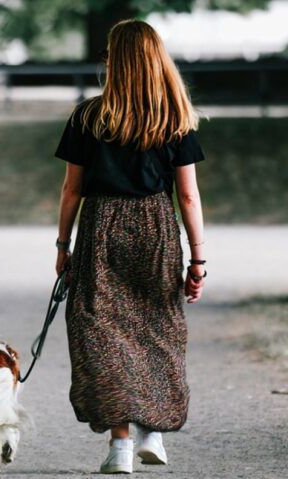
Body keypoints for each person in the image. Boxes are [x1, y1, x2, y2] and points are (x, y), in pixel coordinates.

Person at [53, 19, 207, 474]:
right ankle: (152, 434)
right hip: (156, 227)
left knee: (100, 330)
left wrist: (63, 243)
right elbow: (189, 196)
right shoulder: (175, 118)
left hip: (101, 226)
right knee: (158, 327)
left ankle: (121, 445)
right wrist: (198, 259)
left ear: (113, 61)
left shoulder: (88, 116)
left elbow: (71, 190)